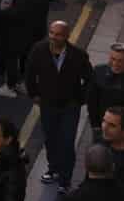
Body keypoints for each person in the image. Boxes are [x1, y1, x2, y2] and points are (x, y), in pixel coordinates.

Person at [25, 21, 91, 193]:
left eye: (59, 34)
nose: (54, 37)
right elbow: (30, 73)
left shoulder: (78, 55)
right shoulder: (38, 50)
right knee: (51, 138)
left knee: (67, 143)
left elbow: (90, 80)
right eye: (52, 33)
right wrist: (34, 94)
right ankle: (53, 169)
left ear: (67, 36)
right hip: (48, 105)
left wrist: (80, 99)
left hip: (70, 106)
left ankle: (65, 180)